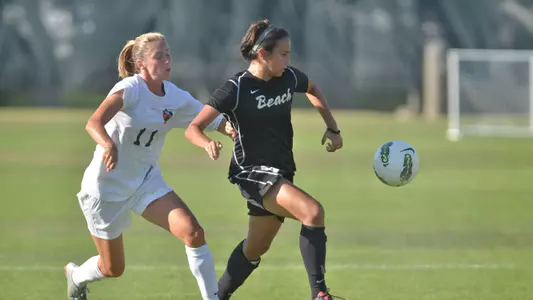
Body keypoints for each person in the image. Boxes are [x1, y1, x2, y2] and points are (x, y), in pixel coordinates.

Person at [65, 32, 235, 300]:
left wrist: (233, 130)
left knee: (193, 232)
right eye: (159, 56)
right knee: (112, 268)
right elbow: (93, 123)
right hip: (105, 187)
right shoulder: (130, 89)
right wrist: (108, 145)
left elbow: (212, 120)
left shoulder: (176, 96)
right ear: (142, 63)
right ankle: (76, 276)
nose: (167, 60)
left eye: (168, 54)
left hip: (145, 182)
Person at [185, 19, 344, 300]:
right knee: (313, 212)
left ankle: (217, 297)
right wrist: (207, 142)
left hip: (280, 170)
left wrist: (332, 128)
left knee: (255, 248)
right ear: (263, 55)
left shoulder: (288, 77)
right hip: (252, 172)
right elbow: (193, 128)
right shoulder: (235, 88)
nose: (289, 59)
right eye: (284, 54)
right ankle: (319, 294)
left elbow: (313, 89)